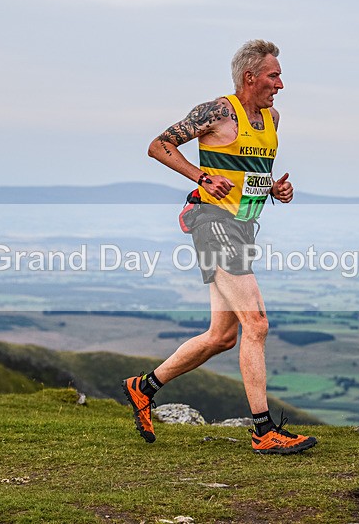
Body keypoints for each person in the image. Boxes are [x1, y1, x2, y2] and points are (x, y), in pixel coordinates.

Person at [122, 40, 316, 455]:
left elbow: (252, 174)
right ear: (250, 77)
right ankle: (263, 431)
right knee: (257, 323)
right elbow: (159, 145)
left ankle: (143, 387)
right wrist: (201, 177)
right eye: (273, 75)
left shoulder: (271, 118)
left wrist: (276, 189)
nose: (280, 84)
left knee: (223, 336)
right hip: (211, 223)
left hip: (242, 227)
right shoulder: (217, 112)